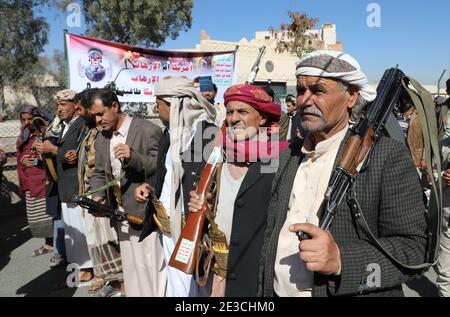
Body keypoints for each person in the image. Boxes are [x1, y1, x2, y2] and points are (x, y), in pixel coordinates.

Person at [258, 50, 428, 297]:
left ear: (351, 96)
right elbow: (271, 238)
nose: (305, 100)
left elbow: (414, 250)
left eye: (318, 91)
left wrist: (341, 261)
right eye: (301, 90)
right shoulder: (288, 156)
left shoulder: (385, 156)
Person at [188, 84, 288, 297]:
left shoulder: (281, 160)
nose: (234, 118)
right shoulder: (216, 154)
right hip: (213, 272)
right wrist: (203, 205)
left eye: (242, 111)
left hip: (253, 277)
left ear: (261, 118)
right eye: (230, 111)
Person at [134, 76, 224, 297]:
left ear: (175, 104)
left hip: (193, 228)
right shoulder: (170, 133)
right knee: (177, 284)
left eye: (159, 102)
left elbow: (217, 181)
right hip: (168, 226)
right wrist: (148, 186)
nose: (156, 107)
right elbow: (165, 175)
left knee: (197, 286)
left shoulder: (209, 134)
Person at [88, 88, 162, 297]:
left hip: (145, 214)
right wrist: (97, 196)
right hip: (120, 214)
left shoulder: (148, 130)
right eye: (94, 116)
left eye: (100, 114)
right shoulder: (103, 138)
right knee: (131, 269)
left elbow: (160, 169)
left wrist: (133, 157)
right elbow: (100, 173)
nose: (97, 120)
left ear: (115, 106)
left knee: (150, 268)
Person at [66, 89, 124, 297]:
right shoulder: (88, 131)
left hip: (102, 196)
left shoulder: (103, 132)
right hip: (92, 195)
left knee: (110, 241)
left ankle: (120, 284)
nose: (78, 111)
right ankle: (112, 280)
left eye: (81, 108)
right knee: (98, 242)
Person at [35, 89, 93, 282]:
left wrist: (53, 149)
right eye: (57, 105)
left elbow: (74, 155)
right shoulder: (64, 126)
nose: (59, 109)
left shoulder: (81, 124)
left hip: (75, 186)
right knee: (71, 230)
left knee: (79, 228)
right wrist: (42, 154)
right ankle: (78, 268)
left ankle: (86, 269)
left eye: (63, 105)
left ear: (75, 105)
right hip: (65, 187)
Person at [16, 106, 54, 256]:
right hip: (29, 180)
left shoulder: (44, 134)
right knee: (38, 215)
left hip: (43, 179)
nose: (26, 122)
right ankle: (49, 244)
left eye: (30, 119)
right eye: (23, 119)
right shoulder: (23, 137)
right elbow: (20, 156)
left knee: (49, 214)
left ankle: (56, 245)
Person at [437, 136, 450, 297]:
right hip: (447, 219)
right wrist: (443, 177)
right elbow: (431, 175)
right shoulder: (443, 146)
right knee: (446, 271)